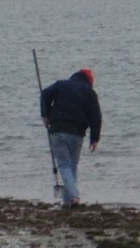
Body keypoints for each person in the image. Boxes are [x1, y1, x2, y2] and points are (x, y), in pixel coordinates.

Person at [40, 68, 102, 208]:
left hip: (57, 130)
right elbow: (96, 116)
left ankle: (71, 199)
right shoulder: (90, 93)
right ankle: (71, 199)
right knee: (71, 166)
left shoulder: (61, 85)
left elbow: (44, 94)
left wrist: (46, 115)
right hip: (77, 133)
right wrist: (95, 138)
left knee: (64, 165)